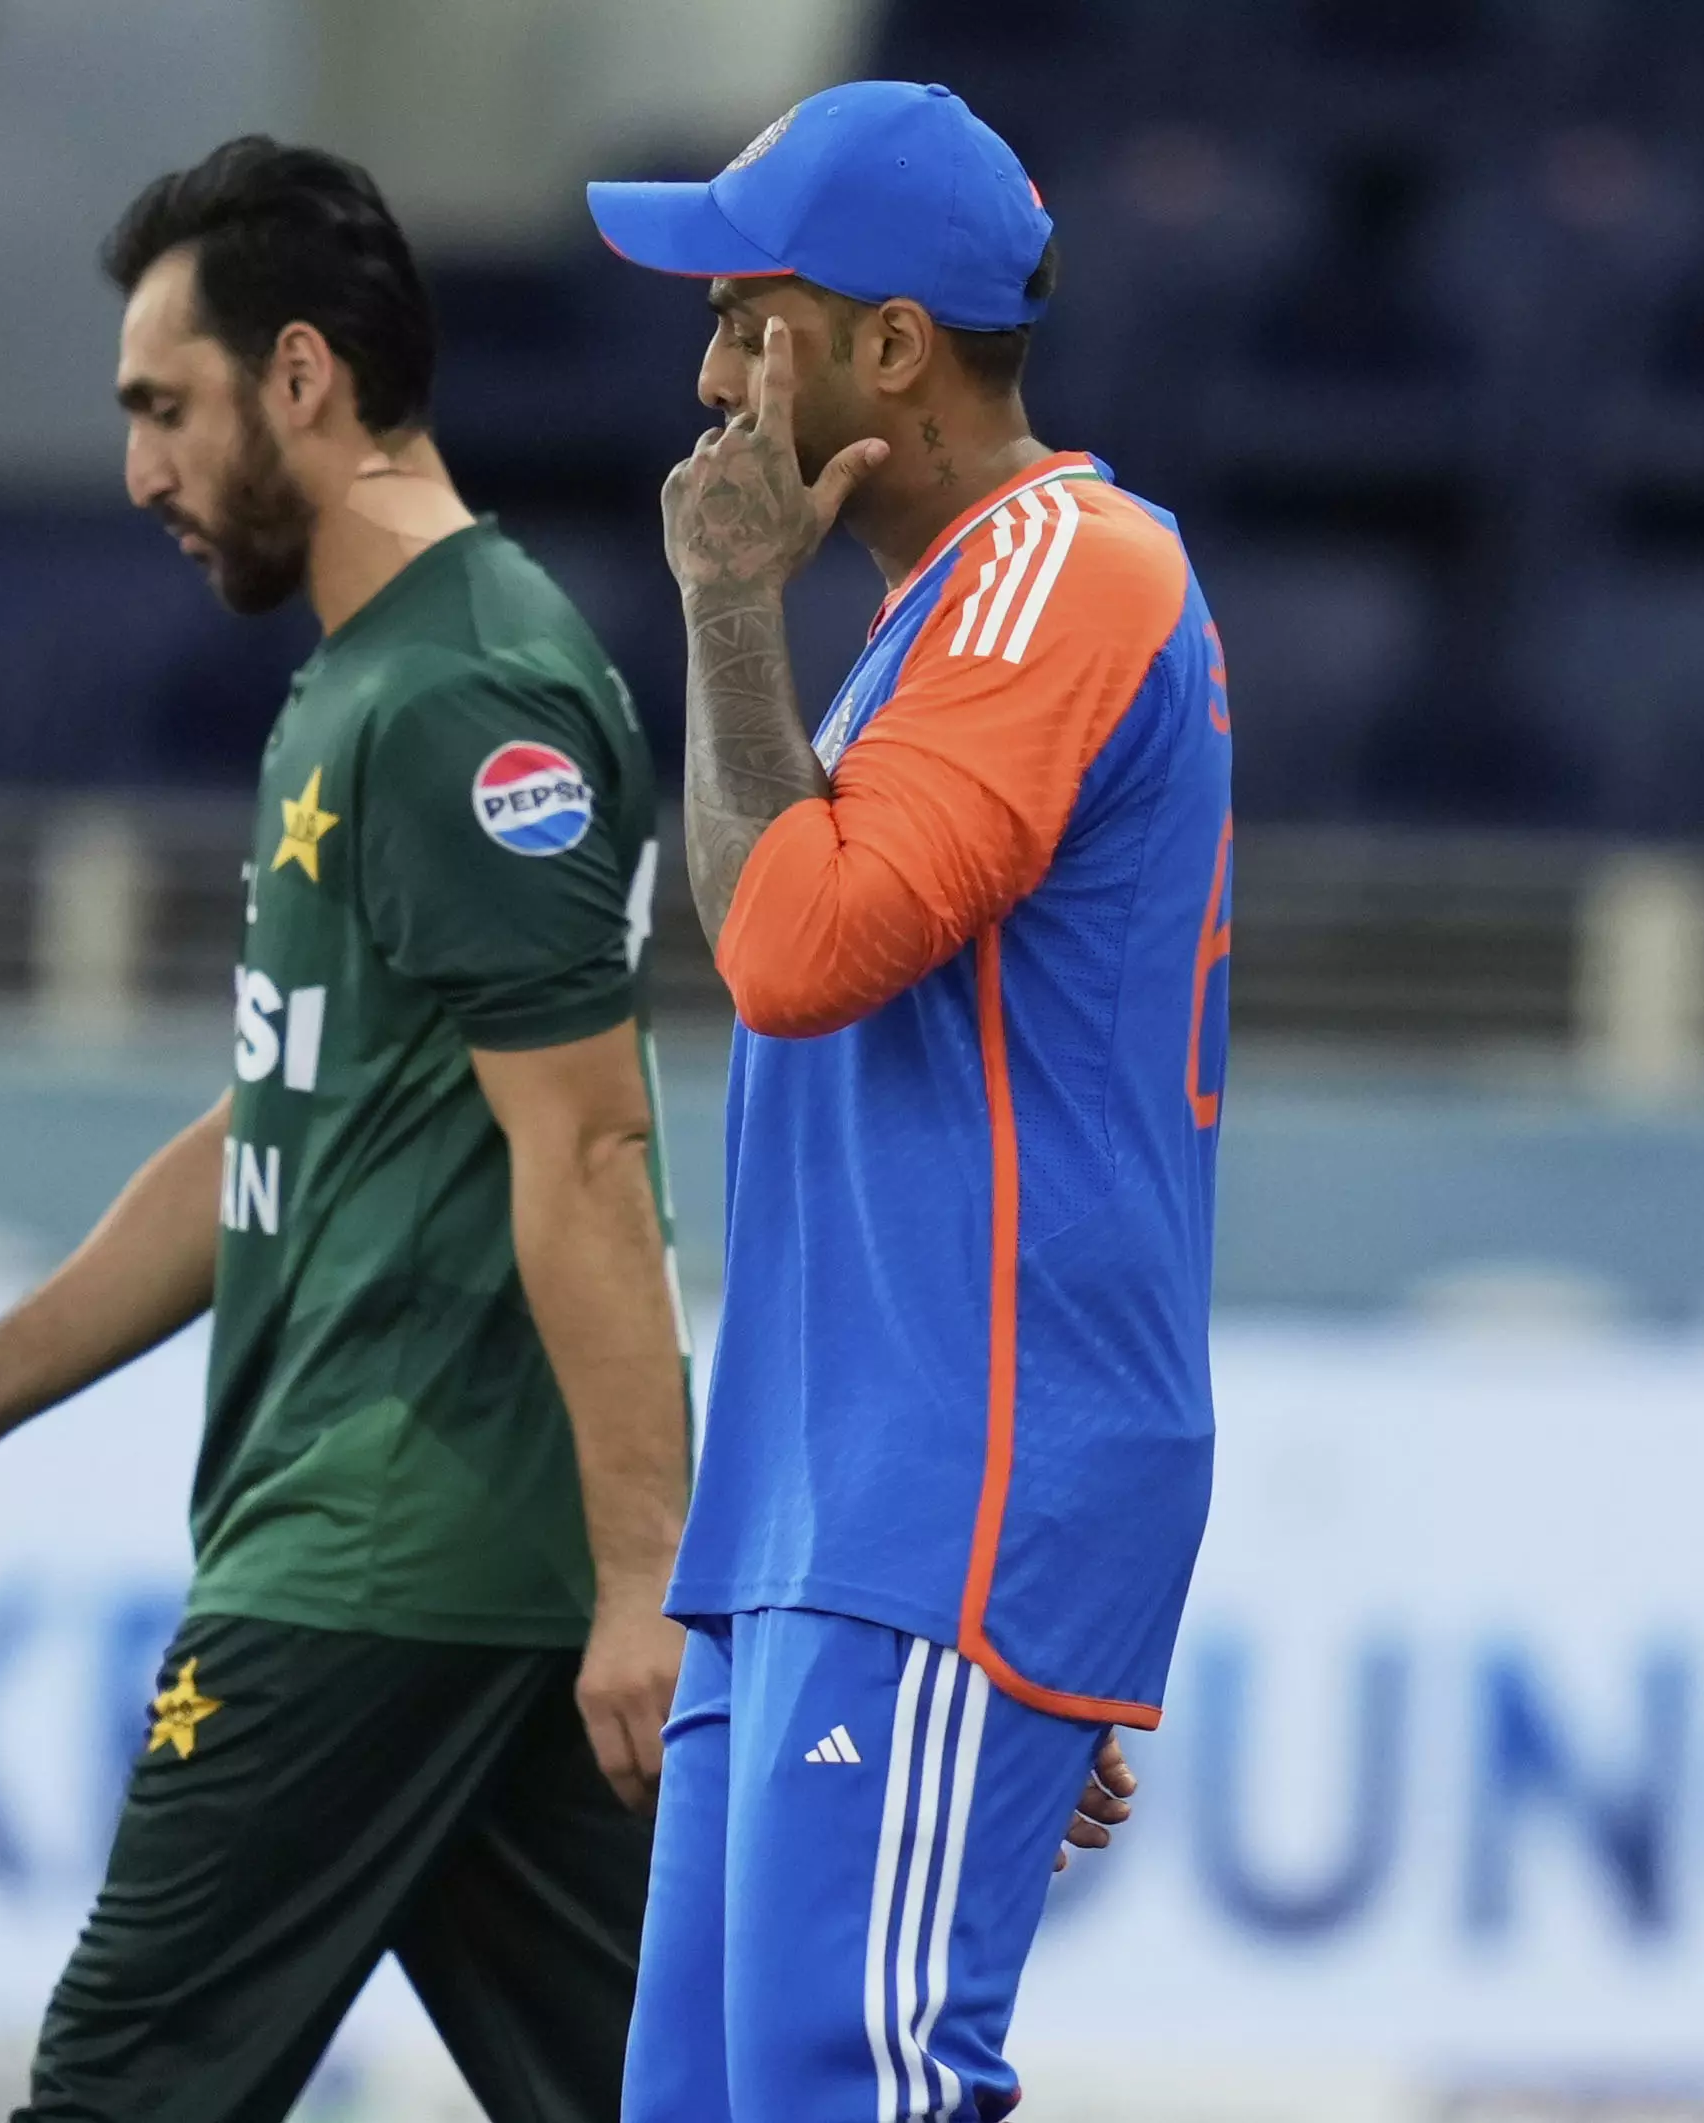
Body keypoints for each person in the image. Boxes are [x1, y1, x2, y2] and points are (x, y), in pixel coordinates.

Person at [0, 138, 696, 2123]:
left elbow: (590, 1154)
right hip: (469, 1576)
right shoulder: (377, 679)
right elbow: (281, 1126)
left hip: (373, 1555)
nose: (139, 473)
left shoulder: (465, 697)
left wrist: (652, 1578)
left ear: (300, 376)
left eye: (162, 407)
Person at [587, 81, 1226, 2119]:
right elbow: (765, 927)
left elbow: (789, 950)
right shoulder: (936, 618)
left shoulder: (1065, 567)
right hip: (829, 1494)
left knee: (843, 2082)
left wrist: (722, 608)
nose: (710, 381)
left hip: (953, 1475)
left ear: (887, 346)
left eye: (744, 321)